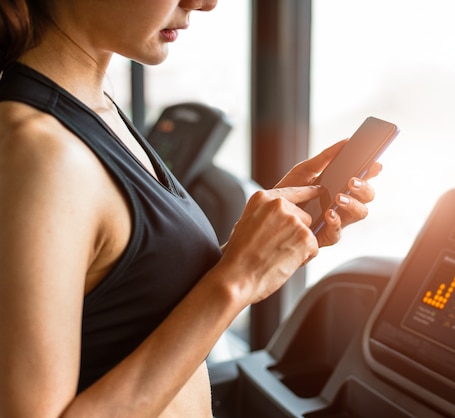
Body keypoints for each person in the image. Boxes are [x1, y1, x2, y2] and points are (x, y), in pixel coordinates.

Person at [0, 0, 382, 416]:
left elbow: (122, 306)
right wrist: (238, 279)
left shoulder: (96, 107)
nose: (205, 2)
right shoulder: (42, 152)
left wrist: (253, 252)